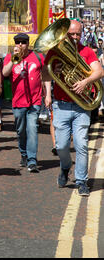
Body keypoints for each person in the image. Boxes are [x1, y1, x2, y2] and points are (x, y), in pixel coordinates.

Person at [43, 20, 103, 196]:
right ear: (64, 34)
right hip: (61, 105)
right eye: (72, 34)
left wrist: (85, 81)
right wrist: (55, 68)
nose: (75, 37)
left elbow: (99, 71)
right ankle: (65, 166)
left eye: (78, 34)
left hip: (81, 106)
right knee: (61, 146)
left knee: (81, 144)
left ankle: (81, 181)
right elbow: (44, 74)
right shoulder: (54, 51)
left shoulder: (86, 51)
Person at [2, 32, 47, 172]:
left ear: (28, 44)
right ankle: (23, 154)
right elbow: (4, 73)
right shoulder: (10, 57)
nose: (20, 45)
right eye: (18, 42)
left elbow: (46, 76)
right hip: (18, 101)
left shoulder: (38, 56)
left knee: (32, 129)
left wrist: (48, 96)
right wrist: (14, 58)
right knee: (21, 130)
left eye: (23, 42)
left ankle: (32, 160)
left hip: (35, 100)